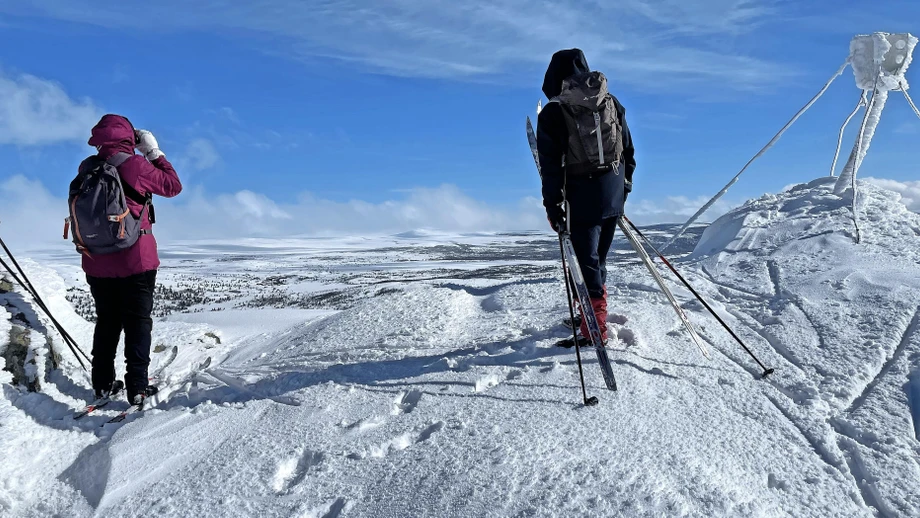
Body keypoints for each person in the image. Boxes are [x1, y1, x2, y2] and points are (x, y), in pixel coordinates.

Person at [79, 114, 182, 404]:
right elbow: (173, 186)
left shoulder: (87, 167)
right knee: (137, 323)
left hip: (96, 260)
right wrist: (154, 152)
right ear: (129, 138)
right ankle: (136, 387)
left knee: (107, 321)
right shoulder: (134, 165)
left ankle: (102, 383)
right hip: (135, 258)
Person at [537, 49, 636, 344]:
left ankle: (595, 328)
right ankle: (591, 315)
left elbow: (551, 168)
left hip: (580, 197)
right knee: (596, 258)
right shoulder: (611, 103)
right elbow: (628, 151)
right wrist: (624, 187)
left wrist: (553, 205)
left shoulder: (554, 112)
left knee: (583, 260)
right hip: (613, 192)